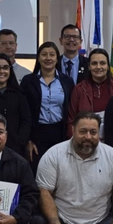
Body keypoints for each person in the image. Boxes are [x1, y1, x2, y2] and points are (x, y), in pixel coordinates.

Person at [20, 41, 74, 169]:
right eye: (44, 54)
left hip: (60, 133)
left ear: (57, 58)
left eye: (52, 54)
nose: (48, 58)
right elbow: (23, 112)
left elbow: (71, 109)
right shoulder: (28, 81)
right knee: (38, 170)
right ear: (38, 58)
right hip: (36, 134)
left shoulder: (67, 81)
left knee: (60, 170)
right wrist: (28, 140)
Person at [66, 48, 113, 138]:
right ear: (89, 67)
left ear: (108, 66)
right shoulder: (79, 89)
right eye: (94, 63)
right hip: (85, 141)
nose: (98, 67)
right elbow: (71, 121)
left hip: (112, 141)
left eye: (102, 63)